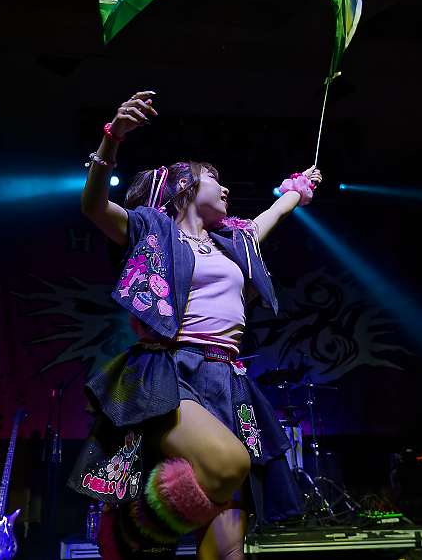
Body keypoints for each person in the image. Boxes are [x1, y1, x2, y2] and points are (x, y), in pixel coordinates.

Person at [72, 91, 320, 560]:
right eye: (215, 179)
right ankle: (134, 526)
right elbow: (92, 206)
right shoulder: (152, 229)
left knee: (234, 533)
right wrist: (112, 138)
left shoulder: (235, 242)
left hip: (229, 379)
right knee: (230, 463)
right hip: (172, 371)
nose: (226, 189)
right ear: (185, 188)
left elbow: (274, 212)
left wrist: (298, 188)